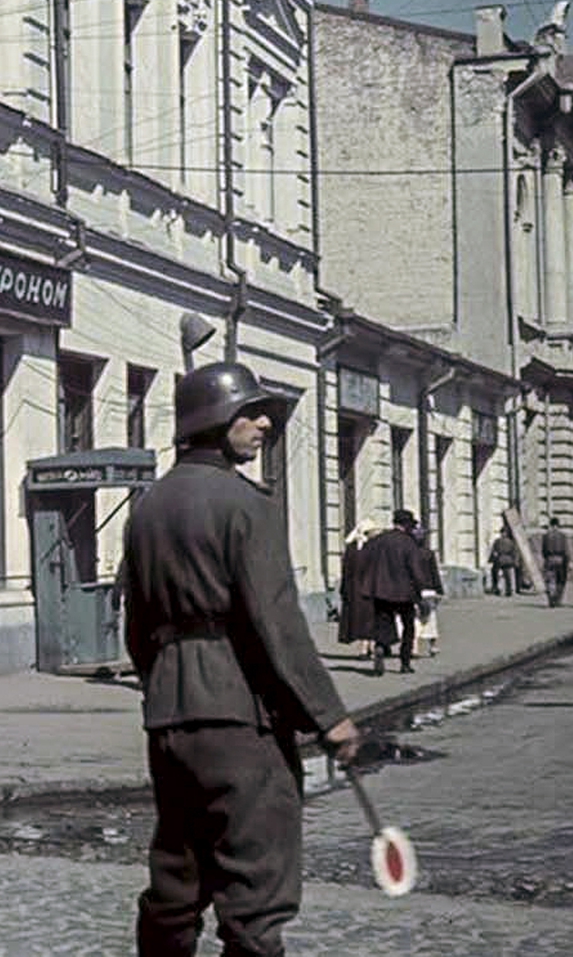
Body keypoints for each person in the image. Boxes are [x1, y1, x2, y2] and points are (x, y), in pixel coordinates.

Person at [122, 362, 359, 957]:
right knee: (255, 886)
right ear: (213, 420)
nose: (263, 425)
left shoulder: (148, 507)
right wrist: (328, 715)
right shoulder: (246, 504)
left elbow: (136, 626)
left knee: (177, 876)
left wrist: (165, 687)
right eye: (250, 413)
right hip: (238, 715)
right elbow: (275, 622)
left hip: (169, 716)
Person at [359, 509, 429, 676]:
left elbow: (364, 562)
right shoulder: (408, 543)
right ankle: (405, 663)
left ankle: (380, 647)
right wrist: (421, 588)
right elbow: (415, 569)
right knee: (408, 627)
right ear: (406, 525)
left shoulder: (378, 541)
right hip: (405, 593)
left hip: (380, 591)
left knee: (383, 623)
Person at [334, 522, 378, 658]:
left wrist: (344, 590)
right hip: (370, 590)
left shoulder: (351, 548)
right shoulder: (372, 548)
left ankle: (367, 646)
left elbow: (345, 571)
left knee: (362, 619)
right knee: (370, 619)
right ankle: (367, 647)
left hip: (354, 590)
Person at [410, 521, 444, 659]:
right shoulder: (428, 553)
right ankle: (433, 646)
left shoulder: (409, 554)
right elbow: (434, 573)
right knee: (430, 619)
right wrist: (440, 590)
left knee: (414, 619)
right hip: (429, 590)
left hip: (413, 590)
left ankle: (414, 647)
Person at [540, 517, 571, 607]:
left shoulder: (546, 536)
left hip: (549, 559)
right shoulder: (563, 536)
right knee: (560, 580)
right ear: (558, 525)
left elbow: (543, 550)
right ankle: (558, 599)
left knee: (549, 580)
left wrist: (546, 558)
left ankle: (551, 598)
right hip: (560, 559)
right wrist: (568, 561)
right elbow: (566, 550)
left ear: (551, 525)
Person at [489, 524, 520, 597]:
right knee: (508, 576)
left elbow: (494, 552)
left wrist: (491, 560)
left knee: (496, 575)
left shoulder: (497, 541)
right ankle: (509, 591)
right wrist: (515, 561)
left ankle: (497, 589)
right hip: (508, 560)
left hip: (499, 560)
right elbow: (514, 552)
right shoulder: (510, 542)